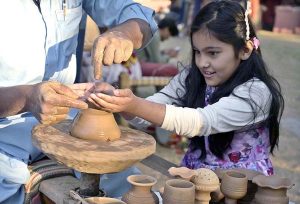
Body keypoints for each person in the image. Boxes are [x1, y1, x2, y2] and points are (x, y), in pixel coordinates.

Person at [87, 0, 284, 176]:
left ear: (245, 50)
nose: (202, 63)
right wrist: (120, 102)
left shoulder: (256, 93)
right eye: (197, 52)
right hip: (195, 178)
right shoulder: (192, 77)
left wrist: (134, 104)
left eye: (213, 53)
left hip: (243, 187)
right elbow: (149, 112)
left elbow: (200, 122)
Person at [0, 1, 157, 203]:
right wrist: (26, 98)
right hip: (5, 130)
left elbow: (141, 18)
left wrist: (125, 32)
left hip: (68, 126)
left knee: (128, 188)